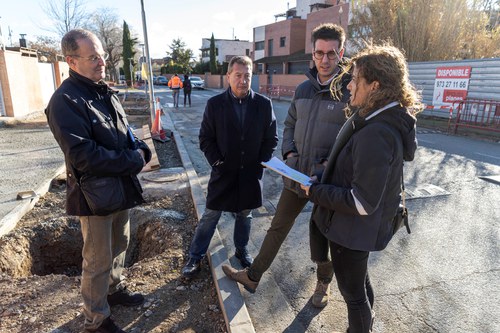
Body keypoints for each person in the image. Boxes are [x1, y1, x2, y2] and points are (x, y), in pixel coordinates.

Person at [222, 23, 350, 308]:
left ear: (340, 53)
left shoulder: (350, 91)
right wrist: (289, 154)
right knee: (277, 227)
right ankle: (253, 276)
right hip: (295, 175)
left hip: (326, 182)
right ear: (313, 55)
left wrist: (326, 168)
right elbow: (290, 124)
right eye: (319, 53)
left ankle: (323, 286)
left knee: (322, 237)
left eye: (331, 54)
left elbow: (351, 142)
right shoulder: (303, 89)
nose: (325, 60)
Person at [300, 44, 421, 332]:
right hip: (356, 230)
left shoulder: (376, 132)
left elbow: (362, 201)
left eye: (355, 79)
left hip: (352, 231)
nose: (349, 85)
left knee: (353, 297)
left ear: (375, 86)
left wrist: (315, 192)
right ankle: (366, 321)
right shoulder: (378, 119)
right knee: (360, 283)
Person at [45, 29, 151, 333]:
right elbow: (83, 155)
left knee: (121, 243)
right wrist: (133, 162)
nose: (101, 61)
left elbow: (125, 132)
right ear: (72, 60)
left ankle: (114, 291)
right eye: (93, 57)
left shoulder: (102, 91)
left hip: (119, 188)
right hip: (94, 196)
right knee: (97, 259)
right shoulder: (65, 100)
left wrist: (140, 148)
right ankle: (96, 319)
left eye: (101, 54)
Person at [181, 55, 278, 278]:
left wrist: (261, 160)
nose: (243, 80)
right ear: (228, 77)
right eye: (238, 75)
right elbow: (206, 138)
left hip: (250, 174)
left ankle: (242, 250)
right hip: (223, 172)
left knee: (245, 214)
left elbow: (271, 137)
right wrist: (217, 161)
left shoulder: (263, 105)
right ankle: (195, 256)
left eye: (247, 76)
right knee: (211, 215)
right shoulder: (215, 105)